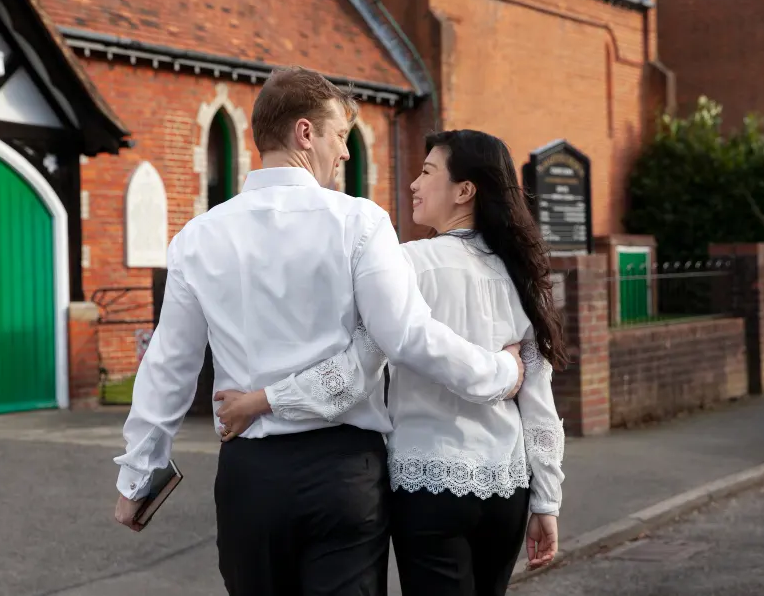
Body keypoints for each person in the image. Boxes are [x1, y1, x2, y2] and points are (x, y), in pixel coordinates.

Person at [112, 67, 526, 596]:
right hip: (343, 475)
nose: (346, 153)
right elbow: (407, 336)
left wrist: (137, 477)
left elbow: (170, 365)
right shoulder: (360, 222)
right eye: (340, 137)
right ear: (305, 133)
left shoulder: (198, 237)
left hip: (251, 475)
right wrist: (501, 370)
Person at [219, 129, 567, 596]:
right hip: (508, 487)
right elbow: (538, 399)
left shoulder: (406, 265)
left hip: (428, 485)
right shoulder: (523, 274)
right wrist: (547, 500)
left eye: (427, 172)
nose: (413, 185)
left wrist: (263, 401)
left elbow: (357, 368)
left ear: (465, 191)